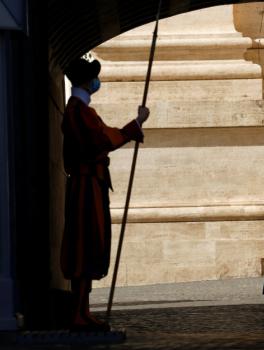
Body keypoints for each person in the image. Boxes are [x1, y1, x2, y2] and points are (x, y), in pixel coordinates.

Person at [60, 57, 150, 331]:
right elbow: (101, 140)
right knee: (84, 247)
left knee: (90, 246)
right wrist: (136, 123)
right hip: (86, 187)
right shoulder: (79, 112)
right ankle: (78, 314)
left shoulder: (82, 110)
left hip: (91, 185)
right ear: (87, 82)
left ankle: (83, 312)